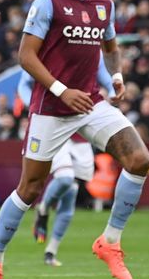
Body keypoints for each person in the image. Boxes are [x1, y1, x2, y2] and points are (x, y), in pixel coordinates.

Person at [0, 0, 149, 279]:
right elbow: (26, 56)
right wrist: (61, 90)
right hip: (52, 108)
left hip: (89, 103)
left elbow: (110, 47)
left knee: (139, 159)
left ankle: (110, 242)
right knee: (29, 189)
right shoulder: (47, 2)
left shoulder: (105, 6)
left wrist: (117, 77)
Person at [17, 55, 114, 267]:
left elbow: (103, 75)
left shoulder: (88, 45)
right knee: (65, 178)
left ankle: (51, 251)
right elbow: (24, 83)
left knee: (70, 193)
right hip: (53, 123)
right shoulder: (49, 47)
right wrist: (34, 103)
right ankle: (43, 208)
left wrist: (113, 89)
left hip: (81, 129)